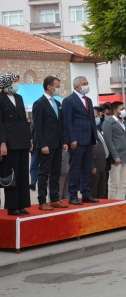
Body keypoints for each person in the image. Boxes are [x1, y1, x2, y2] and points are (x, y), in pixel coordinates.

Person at [32, 76, 69, 210]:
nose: (58, 88)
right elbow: (38, 126)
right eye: (57, 85)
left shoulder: (57, 103)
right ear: (49, 86)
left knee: (56, 172)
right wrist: (43, 144)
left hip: (58, 143)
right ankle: (42, 201)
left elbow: (61, 124)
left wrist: (64, 141)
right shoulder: (39, 103)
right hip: (46, 144)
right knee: (44, 172)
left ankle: (55, 199)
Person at [62, 76, 100, 205]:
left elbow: (91, 121)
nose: (87, 85)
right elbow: (67, 121)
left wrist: (94, 137)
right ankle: (73, 195)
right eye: (84, 83)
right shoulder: (69, 100)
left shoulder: (88, 100)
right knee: (75, 168)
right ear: (77, 86)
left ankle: (86, 194)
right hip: (77, 140)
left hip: (88, 139)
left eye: (87, 83)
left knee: (87, 167)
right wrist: (71, 139)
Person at [0, 73, 33, 215]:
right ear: (7, 82)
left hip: (22, 140)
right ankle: (12, 206)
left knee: (23, 174)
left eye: (17, 81)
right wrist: (2, 143)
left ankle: (22, 204)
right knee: (12, 174)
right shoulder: (0, 98)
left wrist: (29, 139)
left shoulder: (19, 98)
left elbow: (25, 120)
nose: (16, 83)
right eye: (14, 81)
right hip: (10, 141)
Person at [102, 102, 126, 200]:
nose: (124, 111)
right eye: (122, 109)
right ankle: (112, 207)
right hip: (116, 157)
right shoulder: (108, 122)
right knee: (114, 184)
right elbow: (108, 141)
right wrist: (115, 156)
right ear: (115, 111)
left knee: (123, 184)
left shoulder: (124, 121)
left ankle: (121, 205)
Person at [91, 108, 110, 198]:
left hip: (103, 164)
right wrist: (92, 165)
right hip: (95, 165)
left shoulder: (98, 128)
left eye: (98, 116)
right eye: (95, 117)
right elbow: (87, 150)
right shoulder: (88, 131)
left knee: (102, 191)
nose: (97, 118)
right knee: (94, 191)